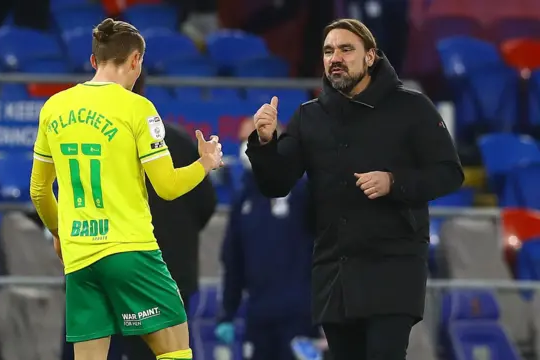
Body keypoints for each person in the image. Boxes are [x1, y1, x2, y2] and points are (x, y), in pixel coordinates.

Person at [245, 18, 464, 359]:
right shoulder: (309, 117)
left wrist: (394, 181)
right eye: (329, 51)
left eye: (347, 49)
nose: (336, 57)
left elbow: (450, 173)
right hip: (336, 274)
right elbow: (276, 184)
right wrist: (264, 141)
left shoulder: (412, 107)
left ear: (370, 57)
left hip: (394, 271)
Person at [29, 18, 223, 360]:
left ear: (94, 61)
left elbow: (39, 191)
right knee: (175, 350)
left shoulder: (53, 108)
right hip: (131, 252)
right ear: (136, 61)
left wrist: (60, 232)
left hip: (79, 256)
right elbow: (167, 186)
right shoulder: (138, 108)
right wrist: (205, 163)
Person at [108, 72, 218, 360]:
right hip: (170, 275)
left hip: (122, 274)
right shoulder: (178, 141)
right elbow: (206, 203)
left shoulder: (102, 145)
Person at [214, 118, 320, 360]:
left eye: (254, 139)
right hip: (259, 317)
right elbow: (233, 262)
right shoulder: (243, 200)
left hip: (300, 316)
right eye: (243, 141)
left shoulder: (304, 193)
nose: (246, 147)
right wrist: (227, 315)